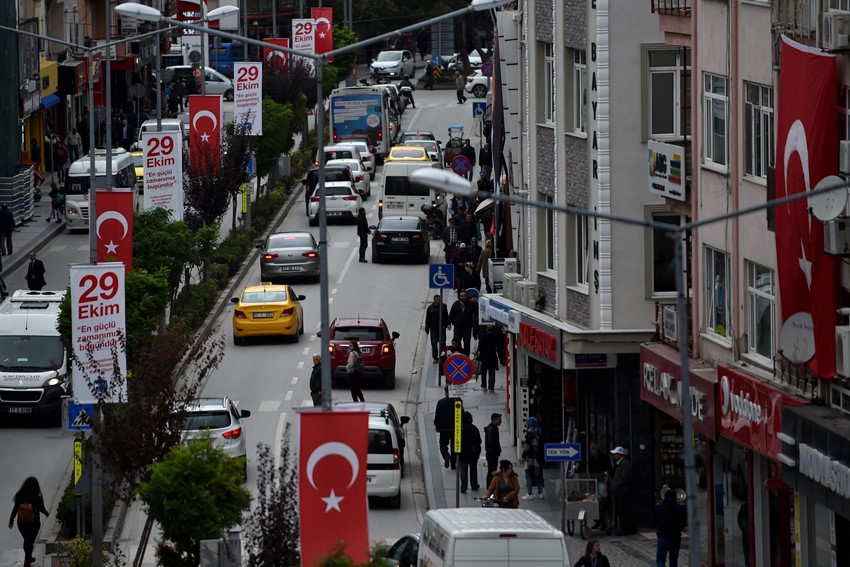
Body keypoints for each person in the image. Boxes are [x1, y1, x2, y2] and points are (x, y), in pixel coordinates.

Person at [8, 476, 49, 567]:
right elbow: (42, 508)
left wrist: (11, 521)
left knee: (27, 541)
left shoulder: (20, 495)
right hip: (34, 523)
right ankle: (27, 560)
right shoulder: (37, 496)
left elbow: (15, 509)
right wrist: (48, 514)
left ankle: (28, 558)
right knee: (29, 541)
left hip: (21, 523)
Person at [655, 489, 687, 567]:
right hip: (675, 537)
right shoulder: (679, 508)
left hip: (662, 536)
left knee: (660, 560)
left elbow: (654, 521)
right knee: (673, 560)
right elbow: (683, 523)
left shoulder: (658, 507)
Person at [434, 386, 460, 469]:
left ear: (445, 391)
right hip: (454, 428)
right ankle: (453, 463)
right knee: (454, 446)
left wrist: (437, 425)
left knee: (443, 444)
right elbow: (461, 414)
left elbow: (437, 415)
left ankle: (445, 455)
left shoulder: (441, 402)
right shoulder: (457, 401)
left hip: (443, 428)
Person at [611, 446, 635, 535]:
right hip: (620, 491)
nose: (614, 456)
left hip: (623, 492)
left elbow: (623, 478)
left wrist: (615, 486)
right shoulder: (620, 464)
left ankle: (626, 529)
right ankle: (625, 527)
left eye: (615, 454)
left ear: (619, 454)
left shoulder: (625, 464)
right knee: (621, 511)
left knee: (624, 511)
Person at [588, 443, 613, 529]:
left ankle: (604, 521)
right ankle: (597, 521)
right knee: (593, 500)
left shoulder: (604, 458)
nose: (592, 452)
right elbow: (590, 471)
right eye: (591, 450)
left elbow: (608, 469)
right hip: (594, 481)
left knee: (603, 500)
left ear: (597, 450)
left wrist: (606, 476)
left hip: (603, 481)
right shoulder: (591, 458)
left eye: (594, 450)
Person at [520, 417, 544, 500]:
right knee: (538, 476)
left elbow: (526, 447)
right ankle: (540, 493)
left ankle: (529, 493)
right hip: (538, 458)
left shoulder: (530, 434)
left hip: (530, 458)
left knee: (528, 475)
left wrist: (523, 457)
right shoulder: (539, 433)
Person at [459, 411, 481, 493]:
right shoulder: (474, 428)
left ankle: (463, 487)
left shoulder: (459, 429)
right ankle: (474, 485)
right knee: (473, 469)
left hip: (462, 453)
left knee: (463, 471)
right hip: (473, 453)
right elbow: (479, 441)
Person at [448, 290, 476, 354]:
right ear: (459, 297)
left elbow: (476, 314)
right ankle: (458, 354)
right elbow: (451, 314)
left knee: (467, 341)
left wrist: (474, 323)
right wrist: (449, 323)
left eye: (465, 296)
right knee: (457, 341)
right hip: (458, 327)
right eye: (462, 296)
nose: (463, 297)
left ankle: (466, 356)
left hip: (467, 327)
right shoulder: (455, 304)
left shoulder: (471, 304)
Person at [477, 325, 504, 391]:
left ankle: (484, 384)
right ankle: (491, 386)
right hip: (492, 356)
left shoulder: (483, 337)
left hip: (484, 356)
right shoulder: (496, 336)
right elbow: (500, 344)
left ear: (486, 329)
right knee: (492, 372)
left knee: (484, 371)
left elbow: (480, 347)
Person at [425, 294, 449, 363]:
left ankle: (442, 357)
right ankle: (435, 357)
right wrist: (427, 328)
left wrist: (446, 324)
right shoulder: (430, 308)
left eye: (439, 299)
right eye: (437, 299)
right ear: (434, 300)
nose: (438, 301)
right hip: (433, 329)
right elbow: (428, 319)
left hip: (441, 328)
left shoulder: (443, 306)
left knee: (442, 343)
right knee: (434, 343)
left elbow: (446, 316)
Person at [483, 413, 502, 487]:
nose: (501, 421)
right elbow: (491, 443)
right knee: (492, 471)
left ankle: (491, 487)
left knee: (492, 471)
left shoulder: (492, 429)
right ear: (495, 419)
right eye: (500, 420)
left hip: (492, 454)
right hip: (492, 454)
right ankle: (490, 487)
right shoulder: (492, 430)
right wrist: (496, 451)